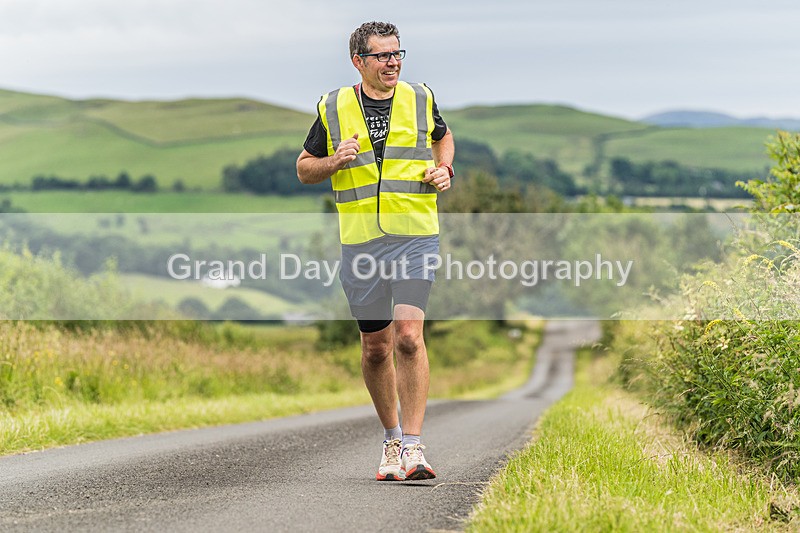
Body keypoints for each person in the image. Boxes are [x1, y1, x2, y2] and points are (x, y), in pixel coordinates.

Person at [296, 21, 454, 481]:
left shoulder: (421, 97)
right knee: (375, 348)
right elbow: (304, 169)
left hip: (415, 235)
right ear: (358, 61)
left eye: (398, 53)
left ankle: (413, 445)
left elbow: (443, 136)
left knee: (408, 335)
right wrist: (334, 161)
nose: (393, 62)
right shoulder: (334, 107)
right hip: (362, 242)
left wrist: (445, 169)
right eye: (383, 56)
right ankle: (390, 442)